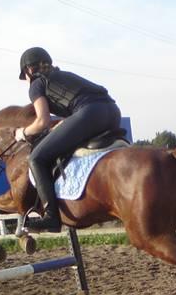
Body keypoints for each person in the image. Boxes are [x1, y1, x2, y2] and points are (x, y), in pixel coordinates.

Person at [16, 47, 121, 232]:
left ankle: (51, 217)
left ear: (28, 71)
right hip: (112, 111)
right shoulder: (64, 75)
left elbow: (42, 121)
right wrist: (65, 124)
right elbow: (78, 103)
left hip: (90, 114)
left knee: (36, 159)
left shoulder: (36, 84)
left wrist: (23, 133)